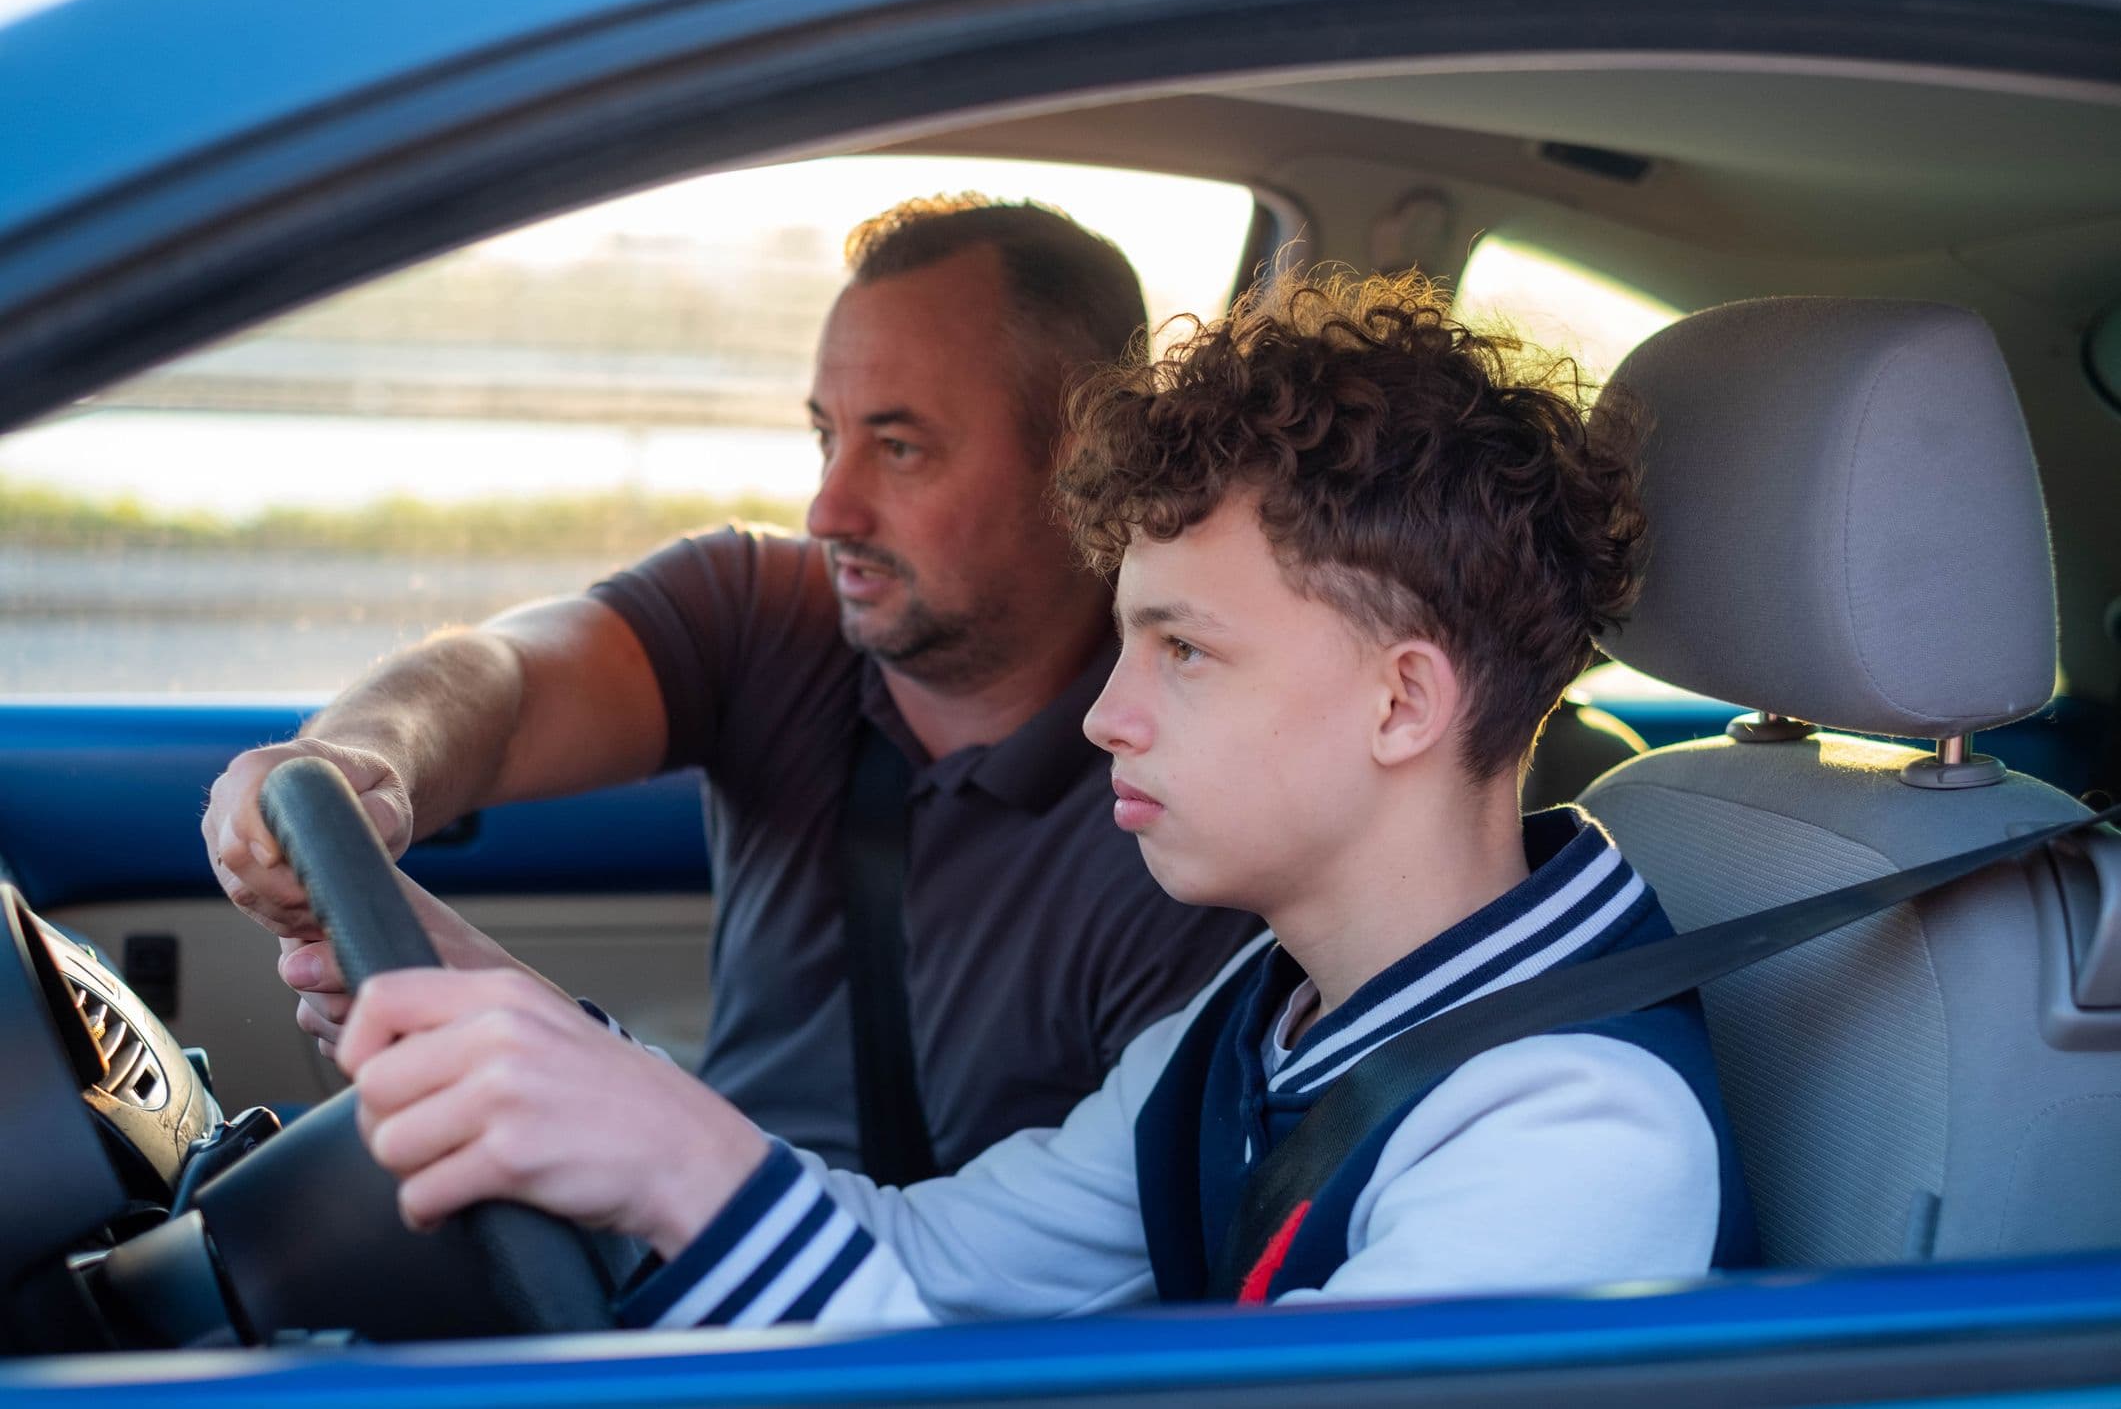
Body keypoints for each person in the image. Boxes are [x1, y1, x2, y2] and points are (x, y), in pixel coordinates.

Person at [331, 268, 1756, 1326]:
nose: (1103, 714)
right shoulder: (1265, 1012)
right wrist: (549, 1055)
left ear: (1403, 701)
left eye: (1185, 650)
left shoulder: (1568, 1132)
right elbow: (941, 1265)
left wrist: (686, 1167)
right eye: (1128, 634)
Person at [200, 196, 1262, 1174]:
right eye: (824, 435)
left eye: (897, 446)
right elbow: (507, 674)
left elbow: (1073, 1276)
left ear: (1083, 456)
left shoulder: (1183, 806)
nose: (828, 508)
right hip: (669, 1263)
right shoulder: (769, 612)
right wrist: (360, 759)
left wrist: (570, 1070)